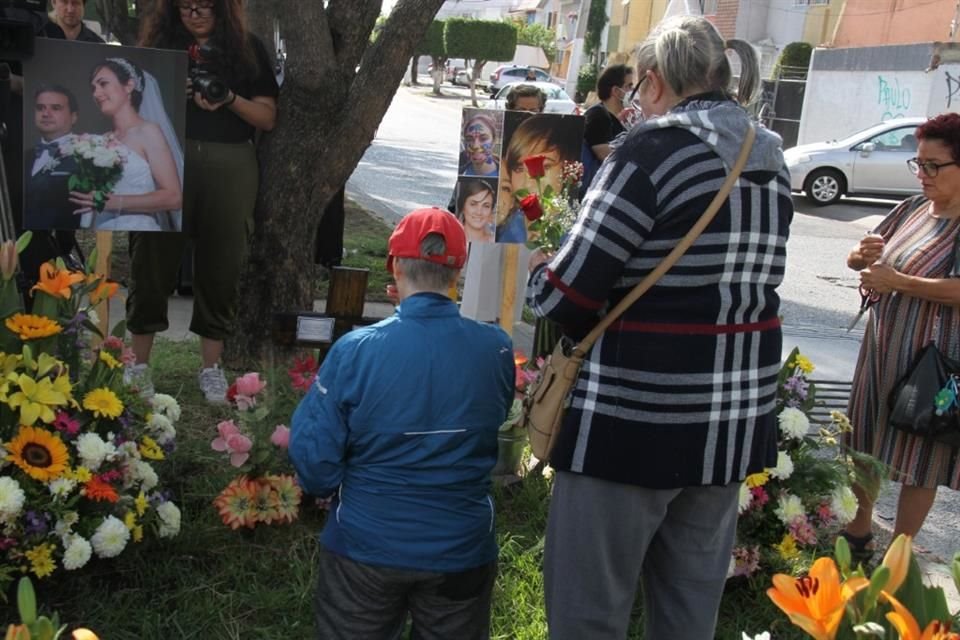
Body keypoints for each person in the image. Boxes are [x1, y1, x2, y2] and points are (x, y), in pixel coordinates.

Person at [526, 15, 792, 640]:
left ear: (649, 82)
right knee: (687, 615)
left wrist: (541, 271)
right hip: (728, 425)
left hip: (632, 419)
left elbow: (570, 293)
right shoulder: (771, 156)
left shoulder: (650, 151)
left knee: (588, 612)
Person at [289, 207, 514, 640]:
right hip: (462, 545)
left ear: (394, 265)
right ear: (458, 270)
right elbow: (495, 417)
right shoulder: (496, 349)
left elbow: (314, 460)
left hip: (365, 543)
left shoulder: (356, 350)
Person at [128, 0, 278, 402]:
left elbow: (267, 117)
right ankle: (138, 366)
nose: (194, 15)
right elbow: (128, 110)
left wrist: (228, 97)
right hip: (167, 158)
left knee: (223, 262)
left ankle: (210, 369)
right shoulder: (157, 47)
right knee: (151, 254)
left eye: (204, 7)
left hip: (230, 160)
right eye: (185, 7)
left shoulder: (248, 48)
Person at [841, 112, 960, 562]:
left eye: (934, 165)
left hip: (934, 360)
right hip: (882, 350)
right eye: (919, 164)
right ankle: (858, 531)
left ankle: (900, 553)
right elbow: (864, 259)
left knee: (921, 458)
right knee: (865, 440)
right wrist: (861, 255)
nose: (923, 174)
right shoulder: (911, 209)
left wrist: (903, 283)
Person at [70, 58, 184, 232]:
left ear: (129, 86)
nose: (96, 93)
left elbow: (174, 197)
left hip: (137, 228)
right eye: (93, 88)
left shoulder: (148, 131)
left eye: (103, 84)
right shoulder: (101, 141)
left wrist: (117, 202)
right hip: (100, 228)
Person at [494, 114, 579, 243]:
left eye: (545, 166)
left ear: (567, 167)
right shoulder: (507, 223)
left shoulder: (578, 232)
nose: (528, 184)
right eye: (519, 169)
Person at [24, 85, 82, 231]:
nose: (45, 114)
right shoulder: (25, 156)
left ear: (73, 116)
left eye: (55, 108)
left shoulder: (87, 155)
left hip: (57, 243)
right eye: (40, 108)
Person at [583, 64, 634, 162]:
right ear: (615, 91)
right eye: (629, 86)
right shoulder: (598, 115)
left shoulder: (617, 119)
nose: (633, 91)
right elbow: (606, 156)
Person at [458, 112, 500, 177]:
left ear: (494, 141)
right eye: (469, 139)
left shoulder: (506, 176)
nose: (475, 146)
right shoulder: (460, 173)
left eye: (483, 139)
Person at [456, 179, 496, 243]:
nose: (479, 212)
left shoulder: (496, 241)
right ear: (463, 207)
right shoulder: (450, 239)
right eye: (473, 204)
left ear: (491, 211)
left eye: (486, 206)